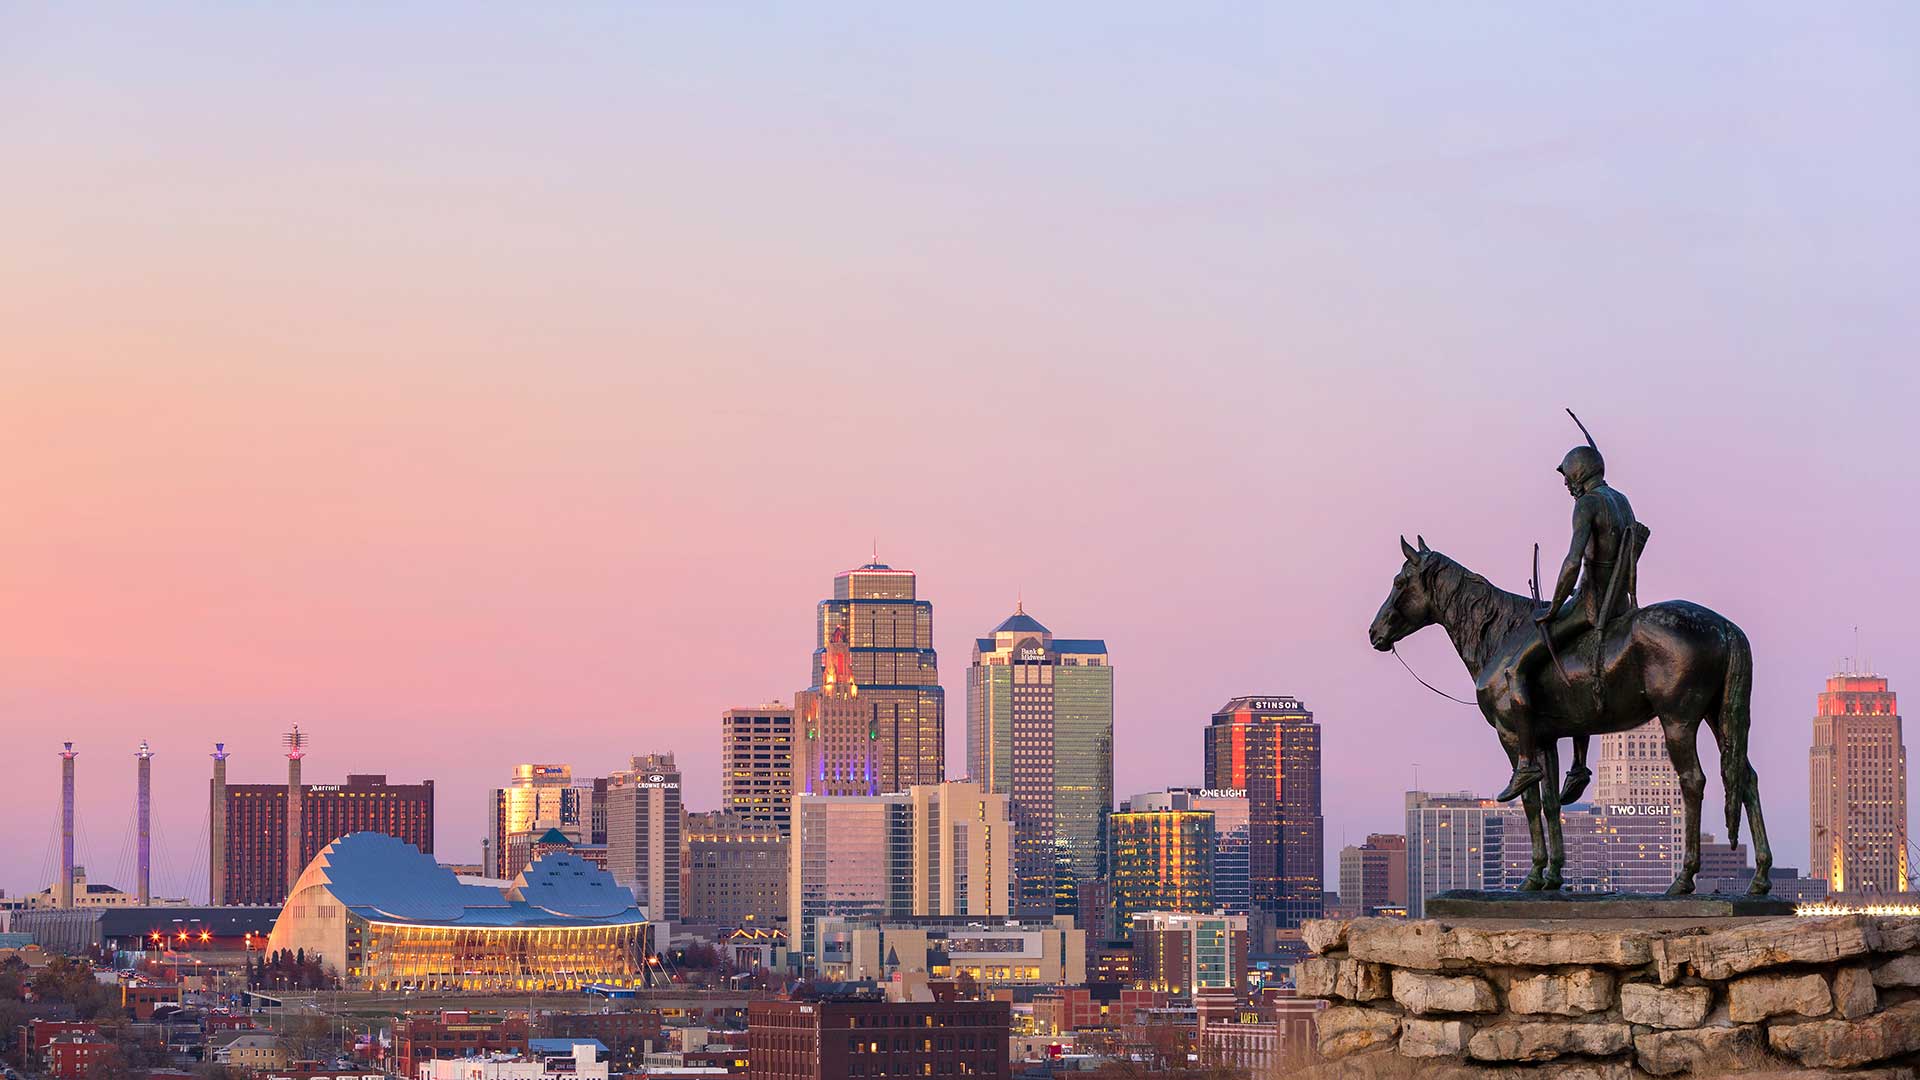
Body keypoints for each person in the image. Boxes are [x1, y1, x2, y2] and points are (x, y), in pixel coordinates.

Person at [1495, 437, 1648, 803]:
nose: (1566, 486)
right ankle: (1578, 766)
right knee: (1571, 666)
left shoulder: (1588, 505)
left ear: (1580, 473)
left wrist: (1554, 606)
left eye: (1568, 479)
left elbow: (1573, 562)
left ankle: (1527, 762)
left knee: (1517, 669)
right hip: (1622, 606)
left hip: (1591, 606)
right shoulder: (1621, 501)